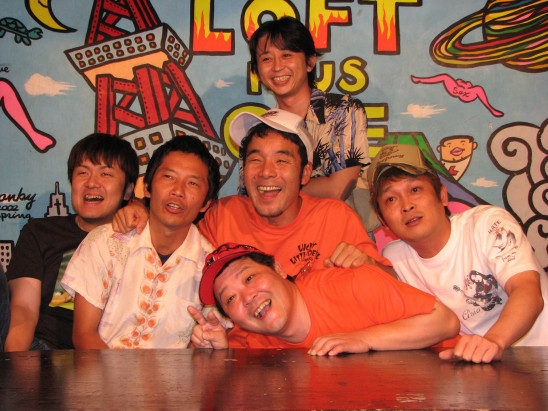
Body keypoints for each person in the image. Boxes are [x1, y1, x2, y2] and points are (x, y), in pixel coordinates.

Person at [114, 109, 391, 278]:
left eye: (281, 160)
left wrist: (366, 263)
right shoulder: (224, 214)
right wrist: (142, 210)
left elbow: (392, 282)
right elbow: (173, 240)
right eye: (255, 160)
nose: (266, 172)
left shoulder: (335, 217)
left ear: (305, 173)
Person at [366, 144, 547, 363]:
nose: (406, 206)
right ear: (383, 220)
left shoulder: (487, 224)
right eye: (391, 199)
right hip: (482, 368)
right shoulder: (394, 259)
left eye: (415, 190)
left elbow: (527, 291)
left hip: (539, 353)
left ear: (442, 195)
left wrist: (494, 341)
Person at [61, 136, 222, 349]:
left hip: (175, 372)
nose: (178, 191)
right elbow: (84, 335)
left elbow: (203, 346)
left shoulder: (212, 268)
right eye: (168, 177)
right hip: (101, 367)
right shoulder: (104, 242)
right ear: (146, 187)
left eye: (192, 183)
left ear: (206, 203)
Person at [188, 243, 459, 355]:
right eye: (230, 299)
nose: (247, 298)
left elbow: (446, 321)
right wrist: (216, 352)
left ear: (279, 269)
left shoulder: (352, 283)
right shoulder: (252, 341)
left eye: (249, 278)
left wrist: (360, 339)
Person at [5, 133, 138, 351]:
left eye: (105, 173)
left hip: (113, 353)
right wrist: (16, 361)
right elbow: (23, 309)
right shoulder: (40, 232)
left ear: (128, 190)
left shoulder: (140, 239)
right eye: (82, 173)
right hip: (46, 349)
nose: (92, 183)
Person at [246, 16, 379, 233]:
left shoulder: (341, 110)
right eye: (267, 58)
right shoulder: (258, 130)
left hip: (341, 237)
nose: (277, 67)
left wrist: (273, 188)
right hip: (279, 239)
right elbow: (249, 197)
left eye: (287, 55)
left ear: (310, 61)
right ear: (257, 70)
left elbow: (337, 189)